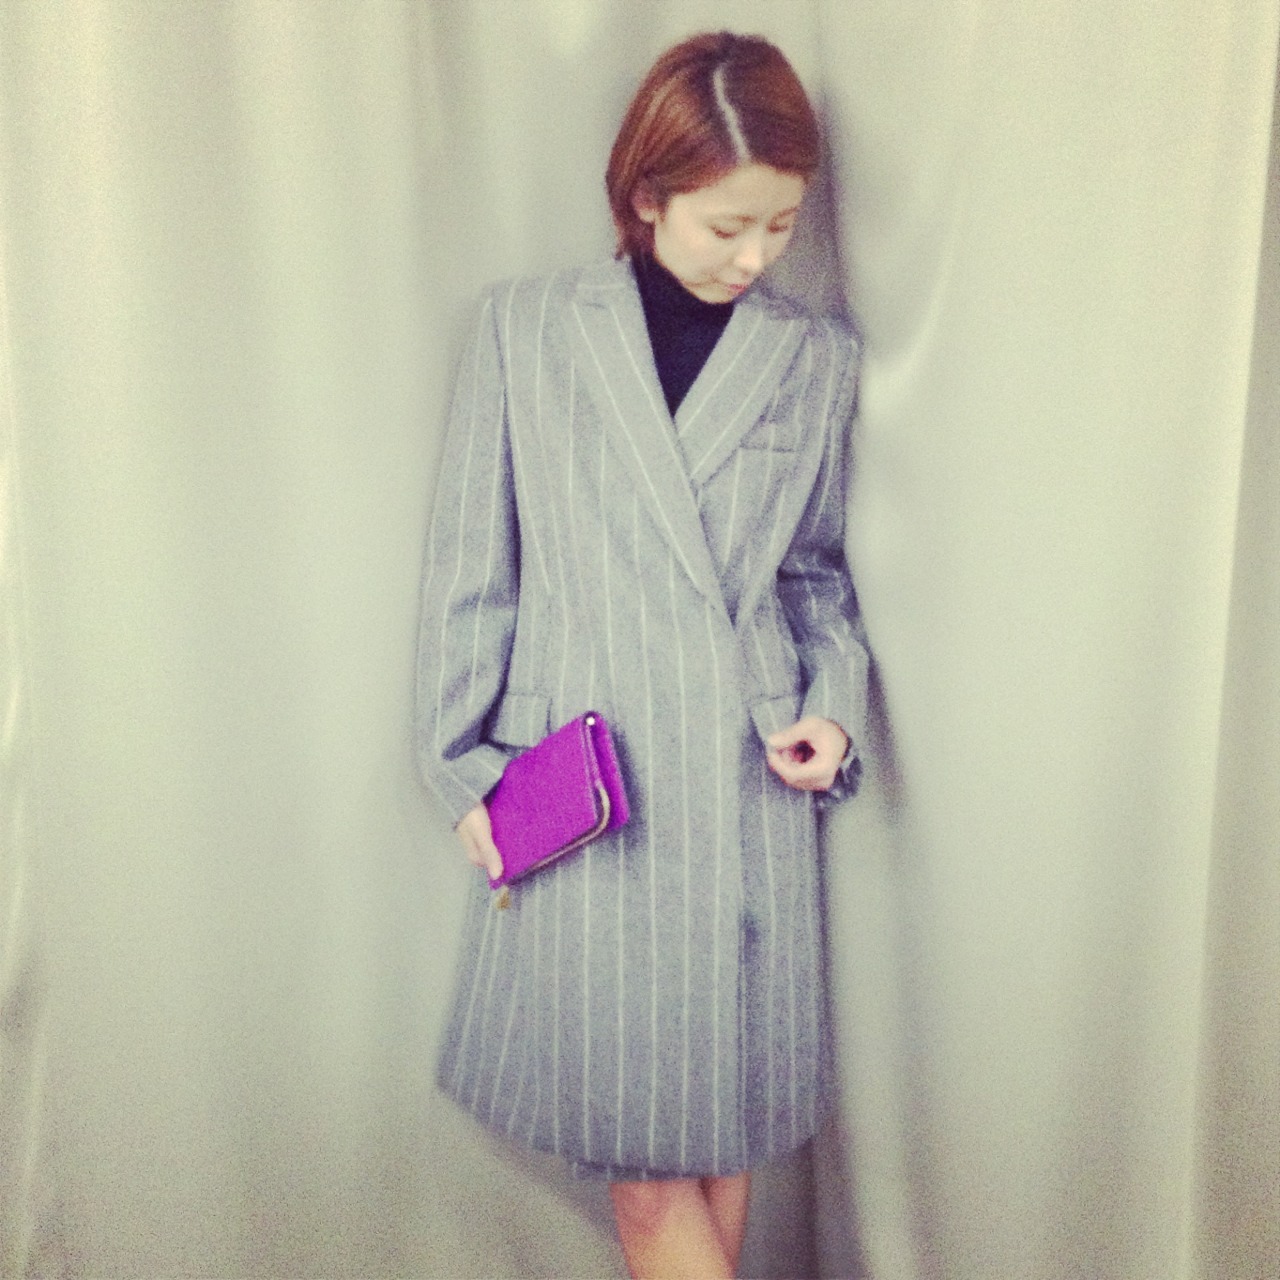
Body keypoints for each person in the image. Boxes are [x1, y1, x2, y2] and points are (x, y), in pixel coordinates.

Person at [416, 31, 869, 1279]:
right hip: (589, 793)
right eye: (727, 225)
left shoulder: (813, 360)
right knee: (648, 1173)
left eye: (780, 225)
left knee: (717, 1146)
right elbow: (470, 574)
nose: (755, 256)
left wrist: (831, 713)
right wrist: (466, 777)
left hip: (742, 790)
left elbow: (814, 573)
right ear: (647, 192)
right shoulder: (524, 334)